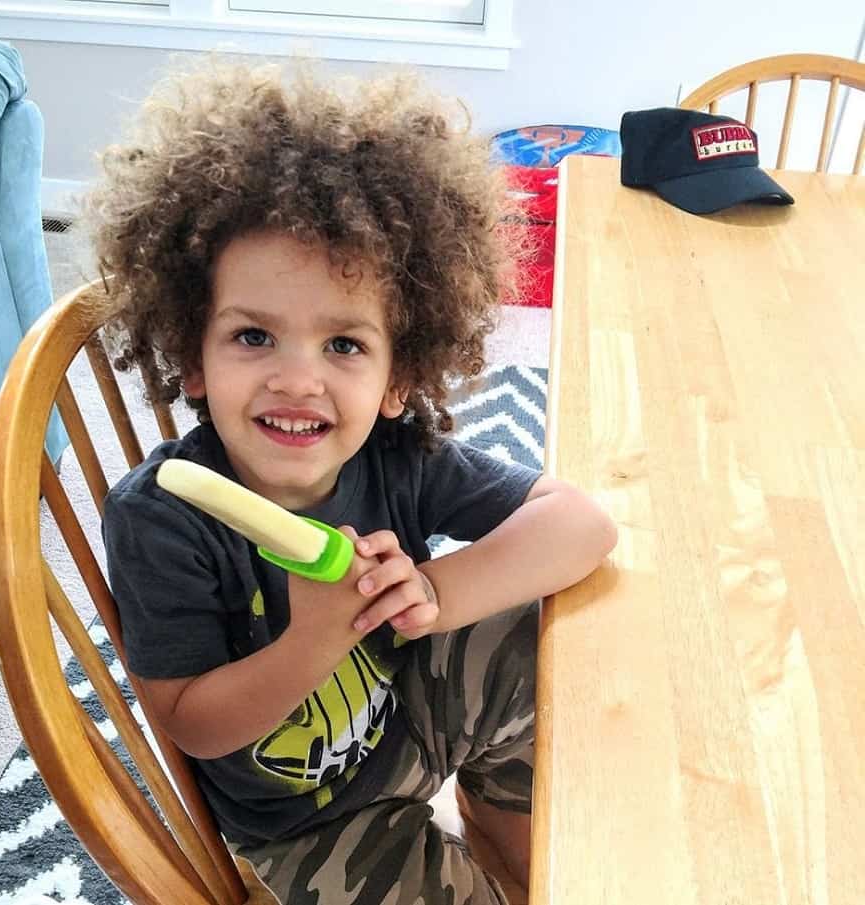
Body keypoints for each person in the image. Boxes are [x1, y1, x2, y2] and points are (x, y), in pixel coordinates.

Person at [88, 57, 617, 905]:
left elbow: (581, 524)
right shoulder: (160, 520)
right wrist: (314, 640)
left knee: (540, 630)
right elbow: (189, 719)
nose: (298, 379)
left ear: (399, 376)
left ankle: (501, 826)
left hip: (404, 711)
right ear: (193, 352)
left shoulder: (393, 452)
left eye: (343, 345)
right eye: (254, 337)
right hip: (304, 819)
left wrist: (434, 594)